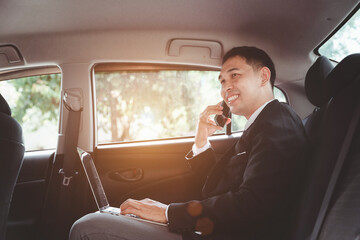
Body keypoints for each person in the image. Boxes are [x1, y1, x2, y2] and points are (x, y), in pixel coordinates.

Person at [69, 46, 308, 240]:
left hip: (226, 234)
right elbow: (215, 188)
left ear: (263, 76)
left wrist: (168, 213)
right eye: (222, 81)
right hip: (211, 230)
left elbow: (254, 205)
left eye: (235, 75)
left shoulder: (277, 121)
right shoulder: (259, 125)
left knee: (88, 227)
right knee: (108, 219)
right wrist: (201, 138)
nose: (226, 88)